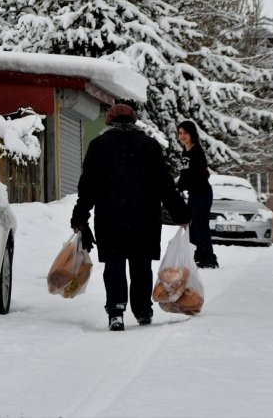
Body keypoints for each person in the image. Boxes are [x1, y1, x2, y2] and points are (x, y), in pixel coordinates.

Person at [71, 103, 190, 332]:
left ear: (109, 122)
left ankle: (116, 312)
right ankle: (142, 310)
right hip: (144, 217)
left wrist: (80, 217)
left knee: (114, 263)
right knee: (141, 263)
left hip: (110, 217)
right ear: (134, 121)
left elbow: (88, 187)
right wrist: (181, 213)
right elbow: (165, 184)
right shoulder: (149, 146)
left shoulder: (99, 146)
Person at [176, 120, 219, 269]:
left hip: (202, 193)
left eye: (185, 133)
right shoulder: (185, 152)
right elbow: (184, 174)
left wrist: (183, 185)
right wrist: (178, 186)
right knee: (193, 227)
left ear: (192, 134)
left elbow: (199, 175)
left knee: (201, 226)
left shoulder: (197, 151)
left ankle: (209, 258)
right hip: (194, 194)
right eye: (180, 133)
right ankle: (198, 256)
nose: (182, 136)